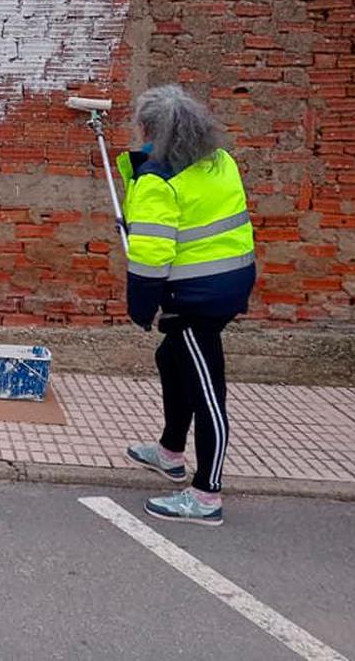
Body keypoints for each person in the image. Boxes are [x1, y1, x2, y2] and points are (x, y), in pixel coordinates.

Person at [118, 85, 256, 527]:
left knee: (206, 390)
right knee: (170, 356)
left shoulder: (160, 181)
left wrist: (142, 309)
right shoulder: (219, 161)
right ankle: (170, 451)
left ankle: (206, 495)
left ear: (153, 132)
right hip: (226, 281)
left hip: (197, 297)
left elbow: (149, 257)